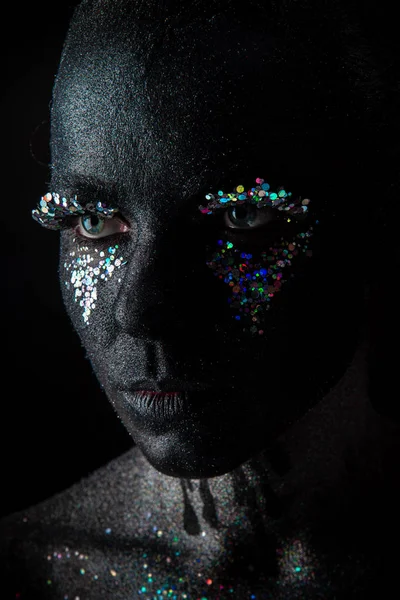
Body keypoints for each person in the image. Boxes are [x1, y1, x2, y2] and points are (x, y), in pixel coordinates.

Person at [1, 0, 399, 597]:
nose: (141, 311)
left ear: (379, 216)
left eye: (242, 218)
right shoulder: (24, 577)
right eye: (93, 224)